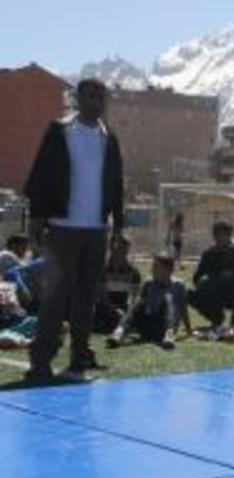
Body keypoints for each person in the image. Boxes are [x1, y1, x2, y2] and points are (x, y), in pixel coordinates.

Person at [24, 78, 125, 382]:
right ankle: (40, 361)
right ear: (77, 99)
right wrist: (37, 219)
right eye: (89, 94)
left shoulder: (109, 138)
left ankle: (80, 358)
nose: (95, 99)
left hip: (97, 230)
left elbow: (117, 184)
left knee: (86, 298)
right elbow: (40, 176)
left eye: (100, 95)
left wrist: (118, 225)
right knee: (55, 297)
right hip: (62, 228)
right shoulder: (60, 131)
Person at [107, 252, 191, 350]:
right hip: (148, 325)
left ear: (168, 269)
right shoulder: (149, 283)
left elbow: (183, 308)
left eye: (156, 267)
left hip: (163, 327)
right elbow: (136, 309)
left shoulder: (178, 285)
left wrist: (189, 330)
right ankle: (119, 332)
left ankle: (169, 335)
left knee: (167, 298)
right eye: (153, 267)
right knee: (138, 302)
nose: (153, 270)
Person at [188, 221, 234, 334]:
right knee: (190, 295)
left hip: (230, 292)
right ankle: (217, 320)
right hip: (213, 293)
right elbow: (197, 278)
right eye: (218, 235)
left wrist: (232, 275)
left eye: (225, 235)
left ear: (229, 236)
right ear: (214, 236)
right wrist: (204, 280)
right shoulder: (208, 254)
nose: (221, 238)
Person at [93, 235, 142, 334]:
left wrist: (129, 312)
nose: (119, 253)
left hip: (122, 307)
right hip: (104, 308)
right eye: (116, 250)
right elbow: (102, 296)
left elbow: (135, 298)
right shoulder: (103, 270)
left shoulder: (133, 272)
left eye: (123, 250)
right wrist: (115, 310)